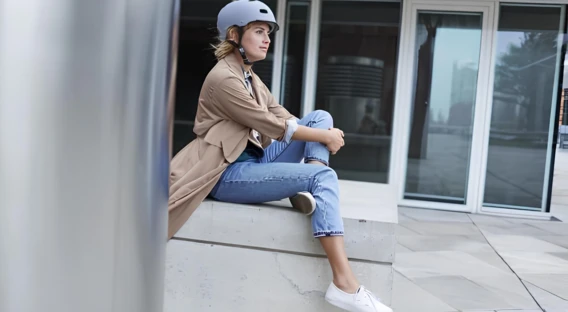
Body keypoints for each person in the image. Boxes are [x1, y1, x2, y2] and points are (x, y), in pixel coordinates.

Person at [167, 1, 393, 311]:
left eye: (268, 32)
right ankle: (344, 283)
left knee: (320, 117)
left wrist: (319, 131)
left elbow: (284, 117)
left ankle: (308, 186)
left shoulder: (249, 77)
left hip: (255, 160)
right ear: (234, 35)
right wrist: (325, 138)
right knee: (324, 172)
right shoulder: (224, 79)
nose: (267, 39)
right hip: (227, 173)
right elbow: (271, 125)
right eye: (258, 31)